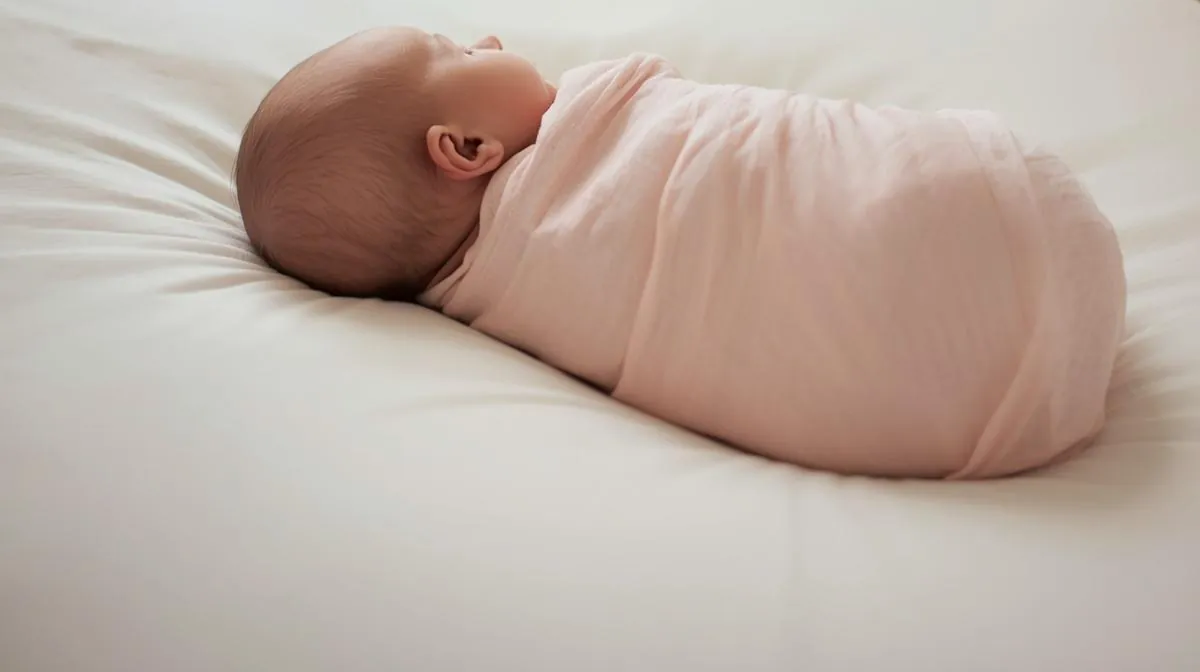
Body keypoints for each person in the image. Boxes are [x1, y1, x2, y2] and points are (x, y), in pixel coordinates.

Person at [235, 27, 1125, 478]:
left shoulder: (507, 303)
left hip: (984, 414)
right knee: (881, 204)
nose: (493, 40)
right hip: (1012, 211)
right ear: (464, 150)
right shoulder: (578, 157)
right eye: (459, 49)